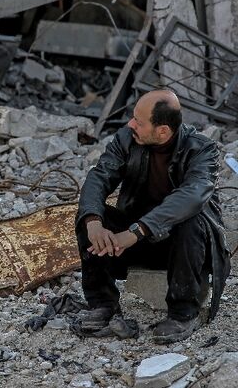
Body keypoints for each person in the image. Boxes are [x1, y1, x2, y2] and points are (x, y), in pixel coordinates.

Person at [75, 88, 230, 344]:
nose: (130, 124)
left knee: (191, 219)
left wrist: (136, 231)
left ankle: (182, 313)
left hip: (184, 249)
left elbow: (192, 196)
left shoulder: (202, 150)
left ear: (162, 131)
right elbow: (99, 177)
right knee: (89, 217)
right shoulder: (127, 139)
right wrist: (93, 222)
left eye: (139, 121)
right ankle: (102, 305)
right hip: (136, 242)